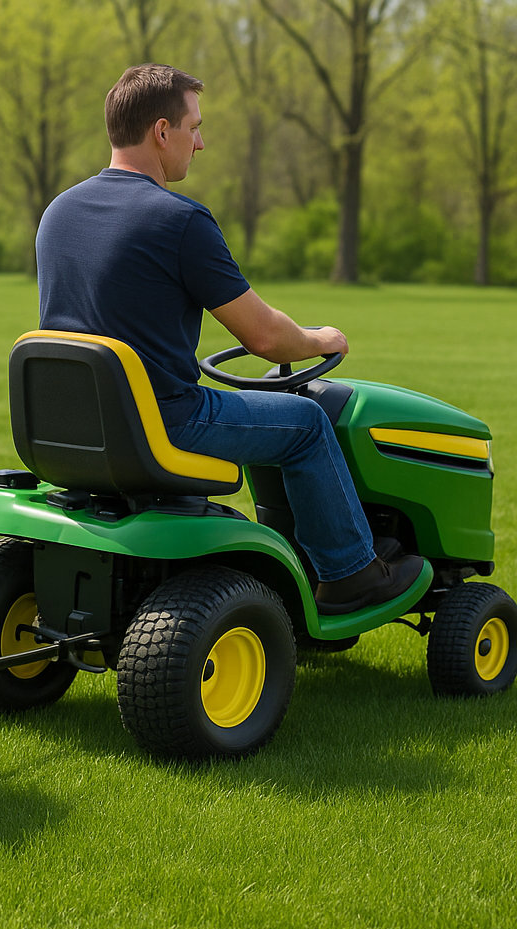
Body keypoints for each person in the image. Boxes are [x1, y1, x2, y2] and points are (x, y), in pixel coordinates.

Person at [35, 63, 423, 615]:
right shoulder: (178, 221)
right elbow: (266, 337)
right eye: (194, 127)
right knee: (307, 423)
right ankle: (348, 571)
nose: (202, 142)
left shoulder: (58, 213)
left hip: (77, 428)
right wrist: (319, 337)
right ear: (161, 131)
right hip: (165, 420)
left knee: (274, 415)